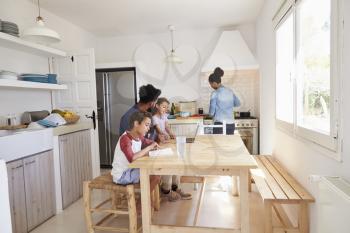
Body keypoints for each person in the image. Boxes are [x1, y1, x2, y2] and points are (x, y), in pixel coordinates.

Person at [111, 111, 160, 209]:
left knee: (155, 172)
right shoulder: (125, 139)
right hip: (122, 175)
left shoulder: (139, 137)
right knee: (155, 176)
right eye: (146, 125)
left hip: (129, 171)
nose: (148, 128)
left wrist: (155, 143)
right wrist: (150, 148)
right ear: (136, 124)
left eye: (149, 125)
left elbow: (149, 142)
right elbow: (132, 158)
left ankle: (143, 200)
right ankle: (140, 204)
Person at [152, 97, 192, 201]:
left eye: (166, 107)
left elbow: (167, 127)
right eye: (163, 107)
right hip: (158, 145)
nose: (165, 109)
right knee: (168, 164)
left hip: (166, 143)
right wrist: (166, 135)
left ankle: (175, 188)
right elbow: (159, 130)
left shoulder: (164, 116)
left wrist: (172, 134)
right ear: (157, 106)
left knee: (176, 161)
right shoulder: (154, 118)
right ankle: (166, 190)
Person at [208, 67, 240, 135]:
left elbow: (211, 112)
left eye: (210, 84)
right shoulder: (230, 91)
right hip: (231, 124)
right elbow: (238, 103)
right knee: (228, 145)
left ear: (214, 83)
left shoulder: (215, 93)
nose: (211, 86)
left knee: (218, 145)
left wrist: (210, 115)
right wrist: (228, 104)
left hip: (220, 124)